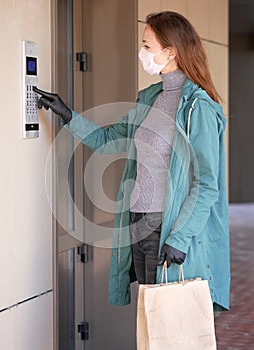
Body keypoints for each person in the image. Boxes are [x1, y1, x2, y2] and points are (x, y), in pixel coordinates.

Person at [34, 11, 230, 311]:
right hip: (139, 223)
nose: (142, 54)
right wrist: (68, 115)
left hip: (169, 227)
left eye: (147, 47)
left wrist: (179, 237)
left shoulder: (198, 107)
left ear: (170, 52)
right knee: (152, 319)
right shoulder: (150, 98)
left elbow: (206, 185)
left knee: (173, 321)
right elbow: (108, 139)